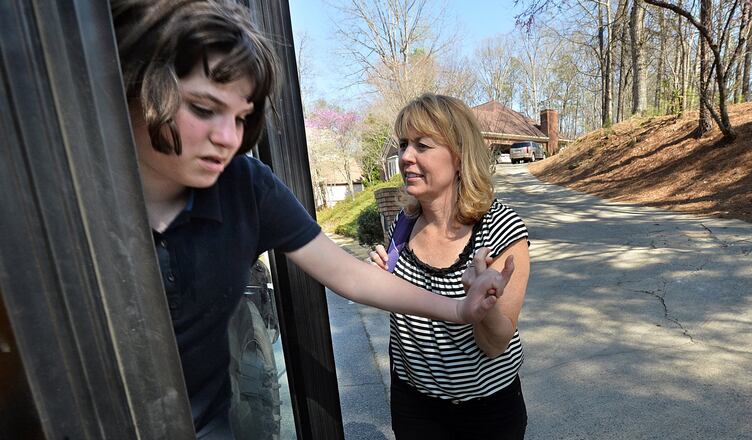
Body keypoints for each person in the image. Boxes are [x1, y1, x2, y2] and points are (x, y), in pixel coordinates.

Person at [110, 1, 515, 438]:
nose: (229, 139)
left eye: (242, 117)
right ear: (133, 85)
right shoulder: (66, 204)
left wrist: (459, 309)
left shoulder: (245, 188)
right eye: (204, 109)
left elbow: (348, 275)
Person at [369, 94, 531, 439]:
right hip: (415, 405)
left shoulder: (501, 229)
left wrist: (480, 302)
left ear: (459, 156)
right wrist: (381, 281)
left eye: (422, 145)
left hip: (487, 412)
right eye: (403, 145)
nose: (405, 157)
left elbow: (495, 344)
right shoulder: (403, 223)